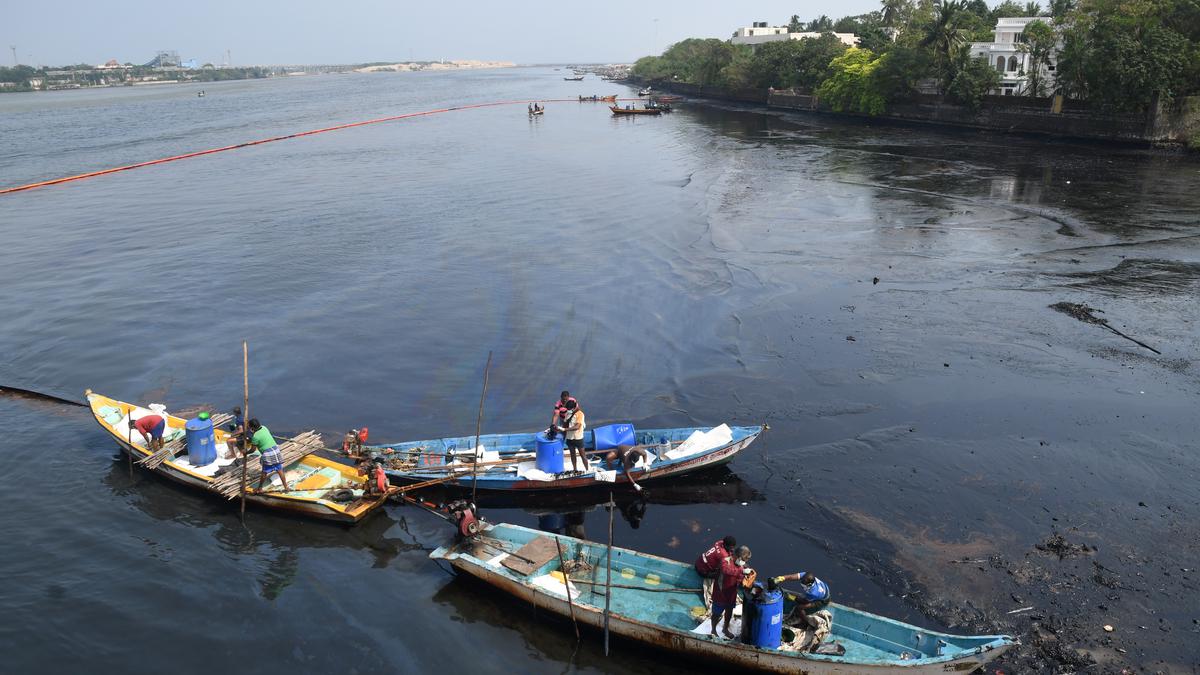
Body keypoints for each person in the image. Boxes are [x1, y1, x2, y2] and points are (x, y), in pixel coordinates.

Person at [711, 545, 752, 639]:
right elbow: (726, 571)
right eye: (744, 559)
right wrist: (741, 572)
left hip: (731, 594)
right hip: (720, 593)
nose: (745, 562)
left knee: (729, 612)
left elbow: (740, 579)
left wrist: (746, 579)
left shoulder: (742, 566)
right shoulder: (725, 561)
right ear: (738, 556)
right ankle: (713, 630)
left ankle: (725, 629)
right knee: (716, 613)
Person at [247, 418, 289, 492]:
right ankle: (286, 487)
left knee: (264, 472)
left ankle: (259, 488)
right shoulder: (264, 427)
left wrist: (245, 452)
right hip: (276, 450)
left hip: (268, 454)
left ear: (252, 428)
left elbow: (252, 450)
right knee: (280, 470)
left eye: (249, 427)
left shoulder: (255, 437)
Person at [695, 536, 737, 606]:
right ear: (726, 545)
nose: (732, 549)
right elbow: (727, 568)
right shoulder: (723, 555)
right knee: (725, 577)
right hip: (703, 571)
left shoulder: (719, 542)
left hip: (699, 563)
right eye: (731, 547)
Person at [557, 398, 586, 473]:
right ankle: (575, 469)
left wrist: (564, 429)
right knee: (572, 454)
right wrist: (558, 428)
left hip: (578, 438)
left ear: (573, 408)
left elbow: (577, 427)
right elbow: (565, 424)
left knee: (582, 455)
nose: (568, 410)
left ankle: (587, 469)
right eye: (567, 409)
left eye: (569, 409)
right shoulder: (567, 413)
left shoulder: (580, 414)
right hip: (569, 438)